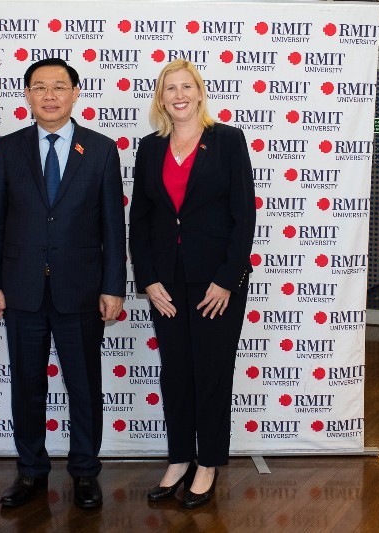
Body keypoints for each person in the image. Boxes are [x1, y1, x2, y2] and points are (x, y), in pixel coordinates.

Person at [0, 58, 126, 509]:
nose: (49, 95)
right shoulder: (9, 148)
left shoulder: (100, 149)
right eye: (39, 87)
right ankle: (31, 472)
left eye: (58, 87)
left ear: (76, 92)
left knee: (83, 385)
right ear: (26, 95)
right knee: (26, 385)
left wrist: (114, 286)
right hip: (20, 290)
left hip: (81, 289)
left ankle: (84, 472)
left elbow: (111, 226)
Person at [128, 59, 255, 509]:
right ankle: (179, 458)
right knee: (176, 373)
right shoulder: (149, 147)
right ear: (160, 98)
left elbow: (244, 217)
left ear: (199, 93)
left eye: (186, 87)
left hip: (216, 283)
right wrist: (148, 279)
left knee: (212, 373)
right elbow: (139, 221)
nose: (178, 95)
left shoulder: (227, 140)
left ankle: (208, 463)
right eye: (169, 89)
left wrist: (227, 279)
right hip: (167, 282)